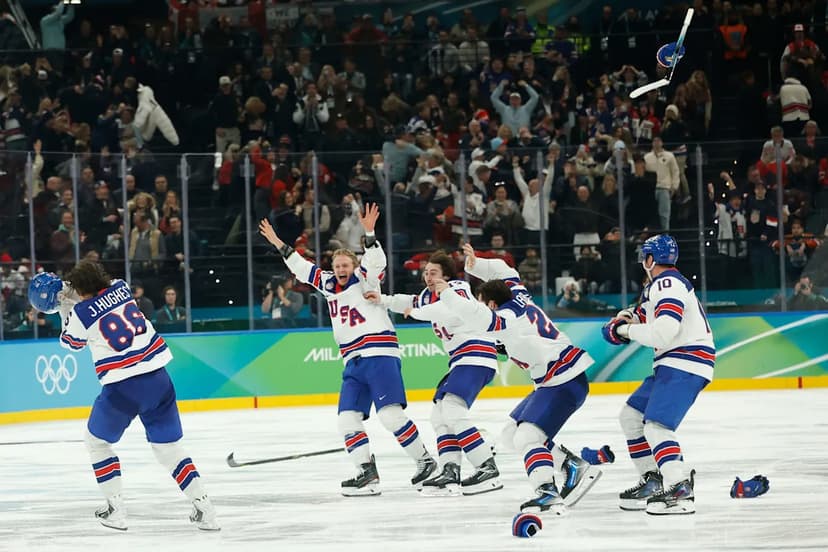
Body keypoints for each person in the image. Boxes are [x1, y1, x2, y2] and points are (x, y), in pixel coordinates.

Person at [258, 204, 436, 496]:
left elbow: (376, 259)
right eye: (337, 265)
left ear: (354, 267)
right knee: (346, 419)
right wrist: (278, 243)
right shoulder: (328, 284)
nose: (341, 270)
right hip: (352, 361)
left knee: (390, 416)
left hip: (379, 353)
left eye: (345, 265)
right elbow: (302, 268)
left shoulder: (366, 279)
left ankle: (425, 461)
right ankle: (366, 473)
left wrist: (369, 232)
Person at [28, 264, 218, 531]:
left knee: (96, 443)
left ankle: (116, 510)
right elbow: (99, 297)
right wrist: (74, 293)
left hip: (123, 387)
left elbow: (71, 343)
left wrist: (64, 307)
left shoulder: (80, 312)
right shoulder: (121, 286)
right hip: (160, 379)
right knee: (170, 450)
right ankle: (205, 509)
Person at [434, 244, 600, 515]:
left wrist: (449, 294)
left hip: (561, 380)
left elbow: (479, 316)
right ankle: (570, 465)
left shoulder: (506, 318)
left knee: (527, 437)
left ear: (491, 304)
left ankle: (547, 491)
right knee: (511, 434)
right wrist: (477, 265)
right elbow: (504, 269)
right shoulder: (519, 293)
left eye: (482, 302)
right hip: (559, 379)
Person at [368, 250, 502, 496]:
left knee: (452, 409)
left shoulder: (458, 289)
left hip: (477, 355)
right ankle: (451, 469)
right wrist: (382, 299)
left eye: (434, 273)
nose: (428, 277)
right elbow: (406, 301)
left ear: (447, 276)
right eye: (426, 273)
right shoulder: (425, 298)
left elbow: (446, 311)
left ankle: (486, 466)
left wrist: (416, 313)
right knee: (439, 416)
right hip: (461, 360)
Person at [602, 235, 714, 515]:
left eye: (644, 257)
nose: (642, 262)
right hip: (673, 363)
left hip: (684, 362)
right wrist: (625, 319)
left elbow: (663, 331)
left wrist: (623, 330)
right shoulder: (661, 286)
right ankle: (653, 479)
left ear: (651, 260)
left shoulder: (667, 283)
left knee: (656, 427)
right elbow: (642, 315)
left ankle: (678, 488)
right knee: (631, 417)